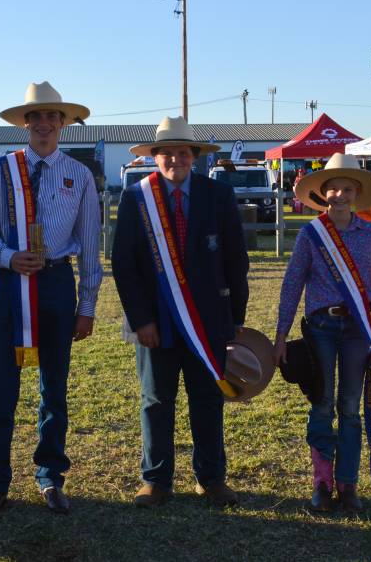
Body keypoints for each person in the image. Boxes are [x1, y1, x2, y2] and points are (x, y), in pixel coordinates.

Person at [0, 82, 101, 519]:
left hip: (57, 286)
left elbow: (88, 245)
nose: (44, 124)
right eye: (36, 117)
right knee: (1, 388)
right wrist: (9, 257)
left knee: (54, 388)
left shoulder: (80, 175)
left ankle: (50, 475)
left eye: (53, 117)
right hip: (11, 286)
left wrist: (87, 307)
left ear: (63, 123)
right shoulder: (2, 170)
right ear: (25, 123)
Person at [111, 117, 249, 509]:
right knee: (156, 400)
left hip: (208, 320)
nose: (176, 158)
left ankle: (212, 478)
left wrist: (234, 318)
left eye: (183, 152)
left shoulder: (218, 195)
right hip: (155, 321)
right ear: (155, 158)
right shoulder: (136, 198)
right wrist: (141, 321)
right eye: (167, 152)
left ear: (195, 156)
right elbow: (124, 264)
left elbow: (235, 260)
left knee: (207, 398)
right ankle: (155, 479)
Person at [272, 152, 371, 513]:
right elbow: (292, 285)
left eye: (347, 189)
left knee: (351, 408)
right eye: (333, 189)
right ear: (323, 193)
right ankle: (322, 484)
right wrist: (280, 336)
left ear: (357, 193)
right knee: (322, 404)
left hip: (358, 329)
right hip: (322, 327)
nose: (340, 195)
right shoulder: (311, 234)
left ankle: (349, 484)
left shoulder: (369, 233)